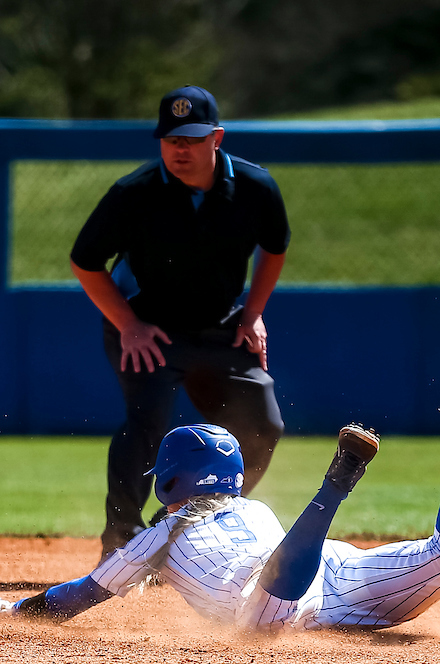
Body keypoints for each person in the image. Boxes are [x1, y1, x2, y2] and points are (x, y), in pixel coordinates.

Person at [9, 380, 440, 633]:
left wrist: (3, 611)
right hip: (329, 570)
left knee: (258, 625)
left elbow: (77, 597)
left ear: (170, 482)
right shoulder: (252, 508)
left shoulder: (161, 536)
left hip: (275, 592)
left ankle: (334, 486)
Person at [69, 85, 291, 560]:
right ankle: (123, 539)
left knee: (263, 423)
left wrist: (254, 314)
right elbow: (85, 261)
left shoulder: (255, 187)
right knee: (145, 419)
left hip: (221, 325)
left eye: (191, 139)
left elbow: (275, 248)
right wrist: (127, 323)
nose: (180, 150)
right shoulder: (135, 193)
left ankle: (183, 527)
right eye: (171, 140)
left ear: (217, 138)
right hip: (150, 328)